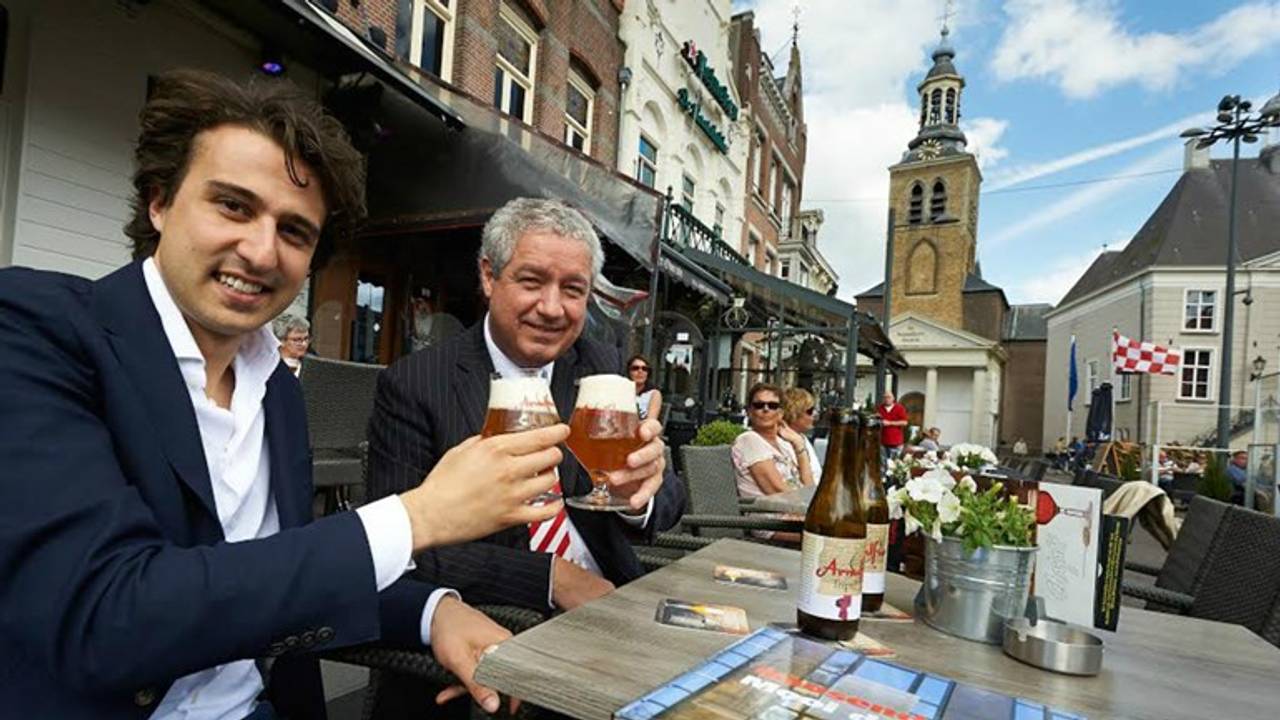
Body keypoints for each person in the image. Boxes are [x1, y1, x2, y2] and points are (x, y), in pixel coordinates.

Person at [0, 71, 567, 718]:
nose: (262, 251)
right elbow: (103, 616)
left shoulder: (273, 391)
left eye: (295, 232)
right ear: (160, 202)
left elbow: (273, 574)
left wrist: (431, 612)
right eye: (233, 206)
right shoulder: (36, 328)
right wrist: (419, 518)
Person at [366, 198, 686, 619]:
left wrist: (636, 499)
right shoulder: (415, 383)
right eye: (532, 282)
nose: (552, 308)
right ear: (488, 276)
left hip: (614, 599)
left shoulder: (600, 364)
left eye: (573, 290)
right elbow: (398, 546)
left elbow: (670, 501)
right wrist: (551, 578)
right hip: (498, 617)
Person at [731, 383, 816, 542]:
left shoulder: (785, 444)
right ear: (749, 411)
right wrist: (811, 509)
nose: (765, 409)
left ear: (781, 413)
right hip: (771, 521)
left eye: (772, 405)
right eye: (759, 405)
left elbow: (809, 487)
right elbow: (776, 491)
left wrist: (798, 444)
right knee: (832, 536)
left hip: (797, 514)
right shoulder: (749, 440)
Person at [782, 387, 823, 477]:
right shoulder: (781, 444)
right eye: (810, 411)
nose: (815, 414)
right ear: (794, 413)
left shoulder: (803, 438)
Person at [629, 354, 662, 421]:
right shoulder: (623, 391)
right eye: (635, 368)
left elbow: (651, 420)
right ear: (629, 372)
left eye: (644, 369)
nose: (640, 371)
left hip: (644, 425)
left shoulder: (654, 394)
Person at [877, 391, 909, 459]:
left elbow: (905, 422)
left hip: (896, 442)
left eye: (889, 397)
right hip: (883, 442)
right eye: (885, 397)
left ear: (893, 398)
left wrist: (890, 423)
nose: (887, 399)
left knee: (894, 462)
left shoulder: (899, 408)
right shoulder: (880, 408)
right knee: (883, 463)